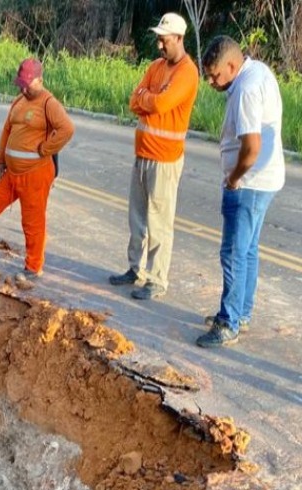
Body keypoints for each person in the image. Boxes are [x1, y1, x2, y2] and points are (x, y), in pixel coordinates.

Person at [196, 36, 285, 348]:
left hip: (249, 184)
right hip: (266, 180)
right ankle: (242, 314)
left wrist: (234, 179)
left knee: (233, 253)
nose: (210, 82)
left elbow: (251, 147)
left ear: (232, 66)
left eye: (215, 75)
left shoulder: (245, 90)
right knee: (247, 250)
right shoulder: (258, 71)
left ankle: (228, 321)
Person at [0, 57, 74, 284]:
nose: (23, 88)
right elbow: (6, 132)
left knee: (32, 221)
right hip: (12, 173)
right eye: (21, 83)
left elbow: (67, 129)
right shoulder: (19, 101)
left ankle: (33, 267)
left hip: (36, 174)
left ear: (40, 79)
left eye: (27, 83)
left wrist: (46, 148)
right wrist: (0, 161)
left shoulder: (49, 103)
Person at [107, 12, 199, 300]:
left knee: (159, 222)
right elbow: (135, 99)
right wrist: (148, 99)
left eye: (164, 41)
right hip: (143, 154)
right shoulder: (156, 66)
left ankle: (157, 280)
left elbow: (160, 104)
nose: (160, 46)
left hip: (165, 159)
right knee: (137, 219)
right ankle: (135, 269)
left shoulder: (187, 72)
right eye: (159, 40)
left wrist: (148, 99)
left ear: (180, 39)